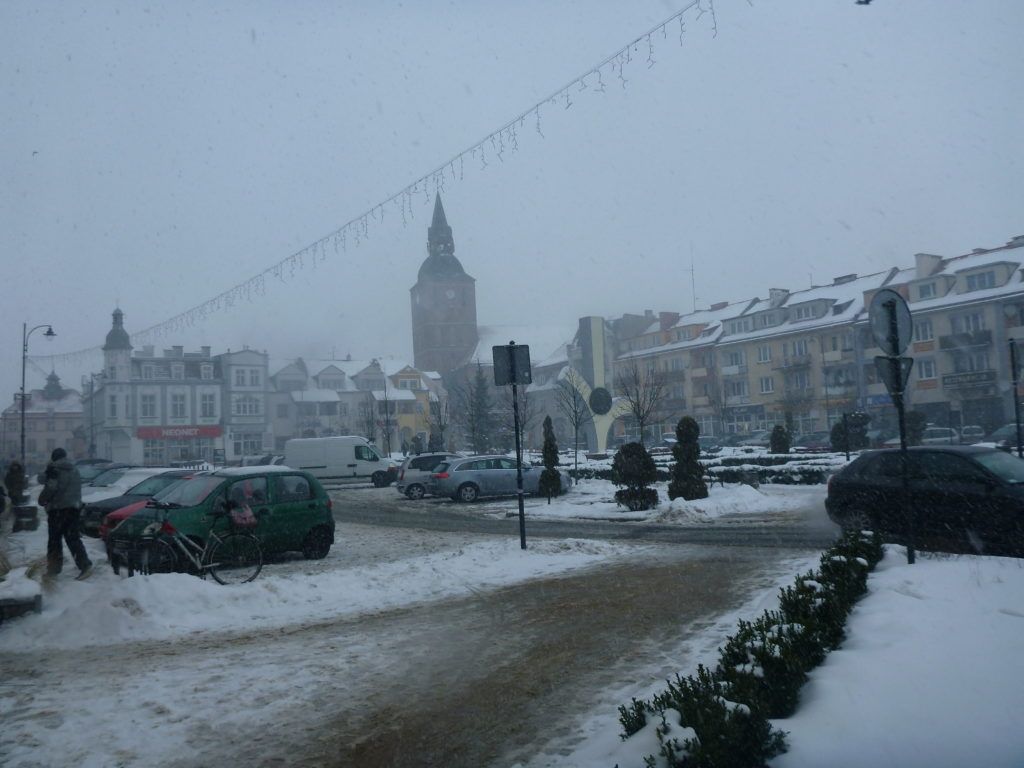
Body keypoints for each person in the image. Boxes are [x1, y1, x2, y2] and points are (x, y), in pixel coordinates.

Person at [38, 448, 92, 579]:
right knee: (72, 538)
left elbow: (50, 486)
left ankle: (53, 569)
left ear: (54, 457)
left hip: (58, 510)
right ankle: (85, 566)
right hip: (73, 508)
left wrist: (42, 500)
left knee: (54, 541)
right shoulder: (74, 469)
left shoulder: (54, 469)